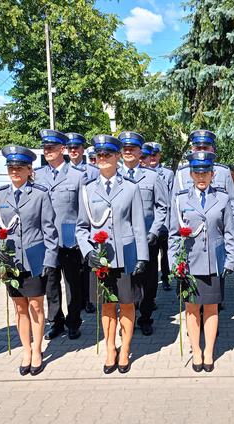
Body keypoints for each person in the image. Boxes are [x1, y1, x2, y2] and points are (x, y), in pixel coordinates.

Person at [76, 135, 149, 374]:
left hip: (126, 254)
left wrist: (143, 257)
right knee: (107, 306)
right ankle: (110, 349)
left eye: (108, 154)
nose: (102, 159)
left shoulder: (130, 188)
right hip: (101, 258)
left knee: (127, 304)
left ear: (117, 156)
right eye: (99, 155)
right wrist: (88, 253)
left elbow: (138, 225)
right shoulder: (87, 190)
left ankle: (125, 349)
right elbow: (81, 227)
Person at [0, 146, 59, 376]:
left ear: (30, 170)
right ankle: (26, 350)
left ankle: (38, 350)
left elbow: (49, 231)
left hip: (35, 258)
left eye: (19, 167)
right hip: (11, 261)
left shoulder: (40, 194)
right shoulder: (0, 196)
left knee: (36, 305)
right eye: (11, 167)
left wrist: (50, 260)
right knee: (19, 307)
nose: (14, 171)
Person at [169, 152, 234, 372]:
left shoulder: (223, 198)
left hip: (213, 262)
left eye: (205, 172)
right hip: (188, 263)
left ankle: (209, 351)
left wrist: (230, 260)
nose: (201, 177)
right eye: (197, 172)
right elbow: (173, 234)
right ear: (190, 174)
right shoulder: (180, 199)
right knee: (191, 309)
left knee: (211, 308)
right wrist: (173, 263)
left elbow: (229, 232)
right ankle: (196, 350)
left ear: (212, 174)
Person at [34, 129, 88, 340]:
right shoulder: (37, 175)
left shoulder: (77, 176)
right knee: (50, 283)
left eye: (51, 147)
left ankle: (74, 321)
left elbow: (83, 210)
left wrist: (81, 237)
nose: (47, 151)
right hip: (45, 240)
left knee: (73, 283)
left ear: (62, 149)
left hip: (69, 238)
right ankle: (55, 322)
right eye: (45, 148)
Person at [118, 131, 169, 336]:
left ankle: (146, 317)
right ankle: (128, 317)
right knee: (127, 281)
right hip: (123, 239)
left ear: (141, 152)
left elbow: (162, 207)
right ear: (121, 152)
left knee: (148, 281)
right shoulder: (115, 177)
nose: (129, 152)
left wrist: (155, 231)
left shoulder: (152, 176)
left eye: (133, 149)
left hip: (147, 238)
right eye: (125, 149)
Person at [172, 130, 234, 226]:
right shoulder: (182, 173)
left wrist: (230, 234)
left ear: (212, 149)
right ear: (192, 149)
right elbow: (175, 206)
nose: (201, 151)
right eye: (198, 148)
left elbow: (232, 206)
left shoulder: (224, 172)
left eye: (205, 148)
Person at [66, 132, 97, 314]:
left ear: (82, 149)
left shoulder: (92, 170)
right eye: (70, 148)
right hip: (69, 225)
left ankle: (89, 299)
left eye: (76, 147)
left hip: (89, 223)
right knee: (73, 269)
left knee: (88, 265)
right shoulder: (63, 171)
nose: (73, 151)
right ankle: (76, 302)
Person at [148, 142, 175, 291]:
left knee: (165, 253)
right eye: (149, 155)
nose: (152, 158)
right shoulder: (141, 172)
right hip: (148, 222)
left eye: (155, 154)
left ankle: (165, 277)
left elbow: (170, 199)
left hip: (163, 221)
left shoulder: (168, 173)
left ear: (159, 155)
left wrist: (169, 222)